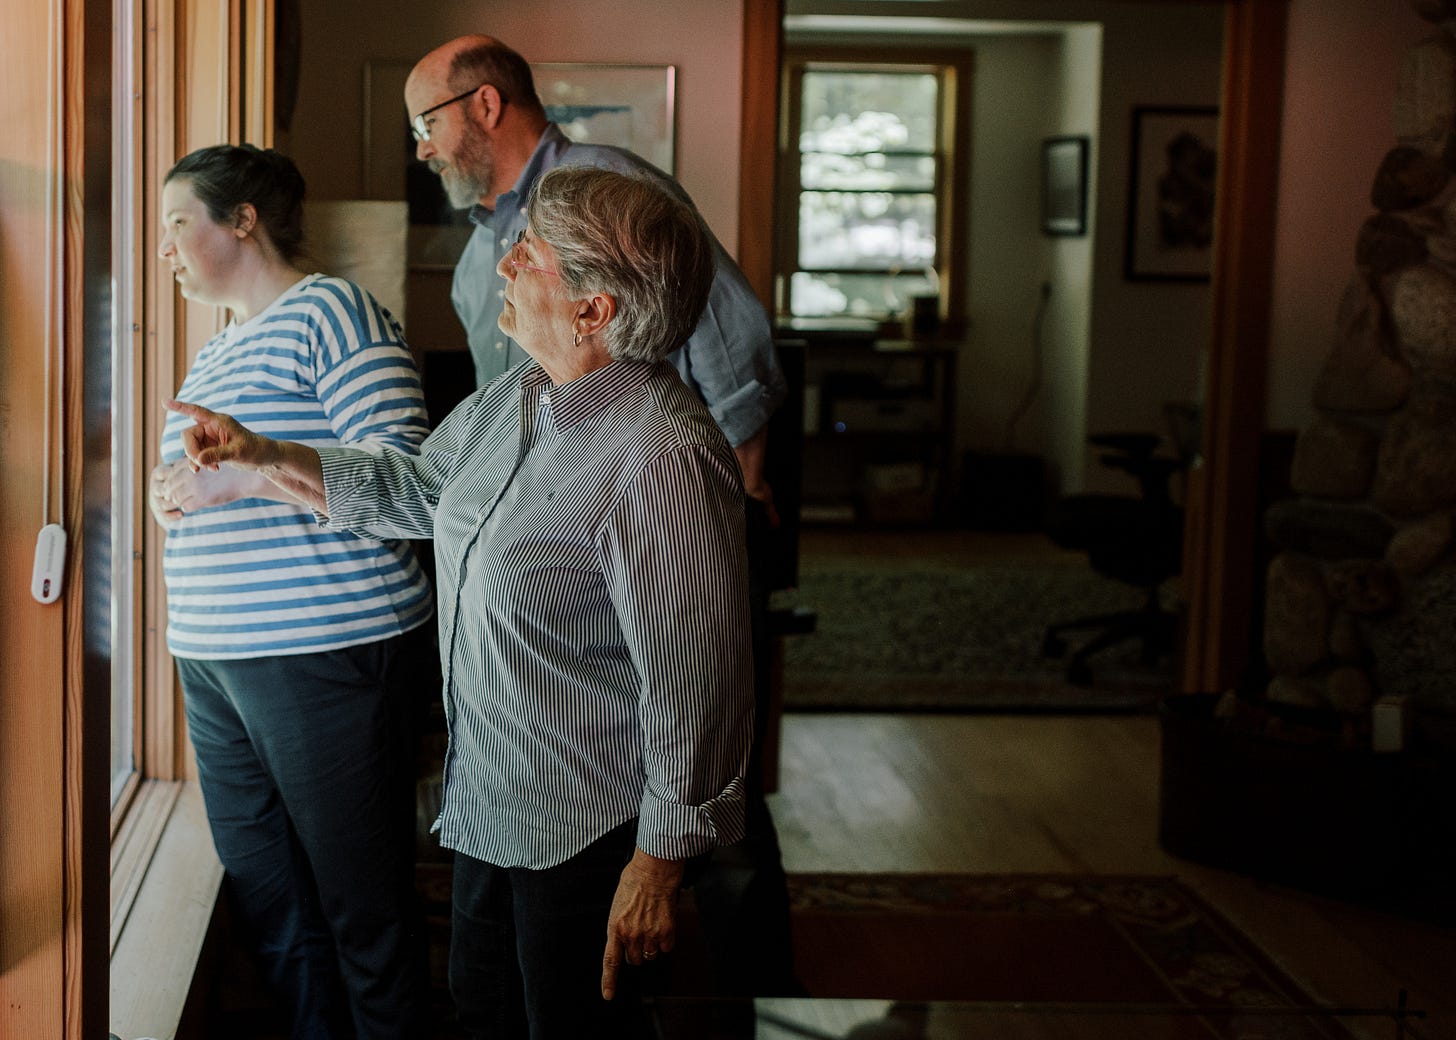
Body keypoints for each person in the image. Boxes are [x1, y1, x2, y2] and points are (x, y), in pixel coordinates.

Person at [166, 165, 757, 1039]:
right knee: (484, 1015)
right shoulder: (515, 399)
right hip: (492, 800)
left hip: (591, 827)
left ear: (595, 311)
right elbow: (414, 489)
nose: (506, 263)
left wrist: (659, 867)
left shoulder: (661, 451)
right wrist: (267, 454)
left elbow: (697, 684)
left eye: (534, 254)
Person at [406, 33, 800, 996]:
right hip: (552, 514)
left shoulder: (599, 190)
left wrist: (731, 480)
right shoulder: (489, 238)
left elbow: (735, 336)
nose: (421, 147)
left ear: (485, 107)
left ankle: (750, 989)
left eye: (427, 122)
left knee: (699, 750)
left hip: (649, 497)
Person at [149, 143, 435, 1040]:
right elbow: (218, 484)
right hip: (217, 657)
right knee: (274, 911)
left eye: (176, 222)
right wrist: (176, 499)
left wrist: (253, 471)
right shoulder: (220, 349)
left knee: (363, 910)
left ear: (243, 219)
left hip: (323, 651)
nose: (164, 246)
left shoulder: (335, 311)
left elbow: (413, 487)